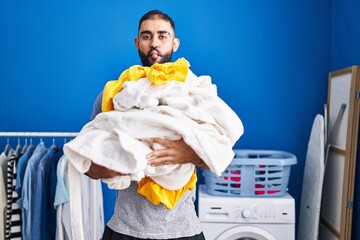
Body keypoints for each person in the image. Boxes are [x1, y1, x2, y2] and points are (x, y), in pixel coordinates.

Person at [82, 9, 242, 240]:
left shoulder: (193, 92)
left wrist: (186, 154)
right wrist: (115, 166)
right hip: (124, 230)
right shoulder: (113, 95)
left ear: (175, 43)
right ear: (137, 42)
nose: (154, 43)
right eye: (146, 36)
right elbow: (87, 162)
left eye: (162, 36)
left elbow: (220, 155)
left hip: (183, 230)